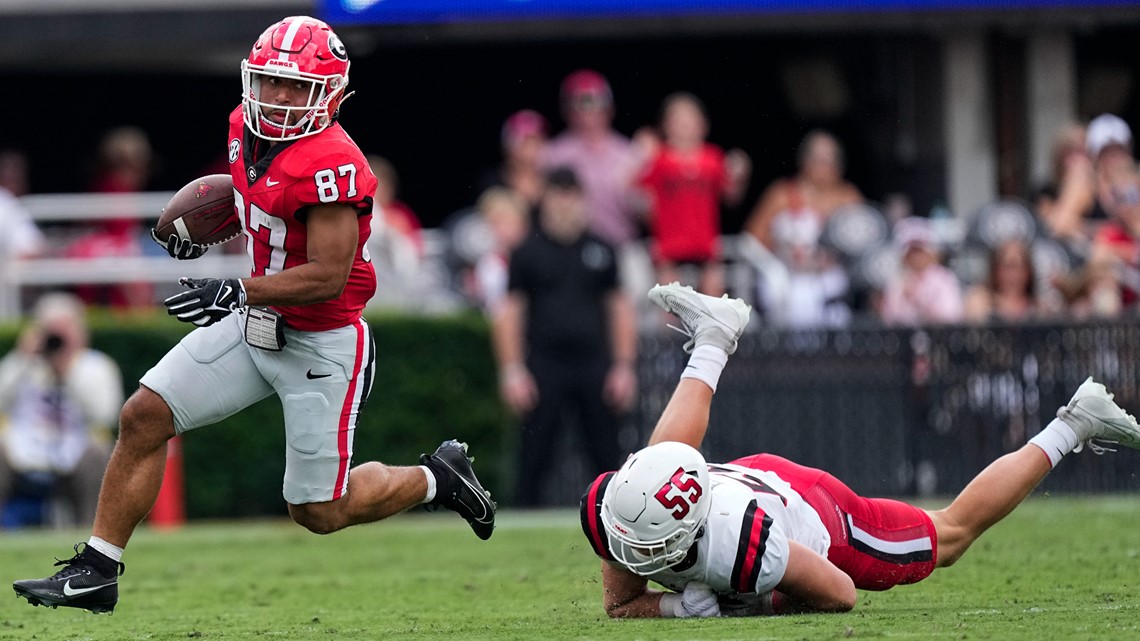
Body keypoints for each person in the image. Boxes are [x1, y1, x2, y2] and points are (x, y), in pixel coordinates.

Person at [13, 15, 495, 615]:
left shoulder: (334, 163)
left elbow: (328, 276)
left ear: (333, 93)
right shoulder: (245, 126)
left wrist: (236, 290)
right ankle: (97, 570)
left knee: (318, 511)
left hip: (321, 340)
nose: (281, 97)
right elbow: (250, 197)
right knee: (144, 414)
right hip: (256, 324)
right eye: (271, 82)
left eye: (297, 87)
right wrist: (199, 233)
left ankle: (439, 478)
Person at [580, 282, 1140, 618]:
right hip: (743, 480)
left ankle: (1075, 421)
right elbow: (622, 606)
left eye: (639, 549)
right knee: (663, 456)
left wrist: (739, 602)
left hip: (814, 515)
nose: (623, 557)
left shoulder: (742, 544)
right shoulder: (617, 504)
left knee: (948, 536)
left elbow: (839, 594)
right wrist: (680, 606)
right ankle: (713, 338)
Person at [492, 167, 637, 507]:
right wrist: (512, 369)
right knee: (533, 459)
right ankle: (520, 532)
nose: (566, 204)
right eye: (558, 195)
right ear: (545, 199)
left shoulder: (603, 248)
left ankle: (618, 528)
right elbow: (510, 312)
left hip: (594, 365)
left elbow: (620, 309)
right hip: (544, 366)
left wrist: (624, 366)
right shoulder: (527, 251)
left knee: (607, 460)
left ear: (583, 200)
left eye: (572, 195)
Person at [0, 293, 121, 527]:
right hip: (23, 450)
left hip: (77, 450)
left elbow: (105, 415)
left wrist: (66, 372)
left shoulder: (96, 366)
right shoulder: (23, 364)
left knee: (99, 451)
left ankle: (92, 537)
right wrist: (21, 358)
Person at [636, 92, 750, 296]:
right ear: (665, 126)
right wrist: (638, 154)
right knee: (669, 298)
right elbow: (639, 195)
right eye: (678, 119)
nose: (685, 125)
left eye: (690, 119)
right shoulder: (658, 159)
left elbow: (731, 197)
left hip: (705, 247)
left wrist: (741, 174)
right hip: (668, 248)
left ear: (703, 124)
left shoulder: (713, 158)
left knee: (714, 298)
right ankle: (669, 330)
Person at [543, 70, 645, 250]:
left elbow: (643, 211)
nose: (587, 112)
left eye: (595, 103)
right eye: (580, 104)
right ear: (567, 110)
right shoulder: (553, 155)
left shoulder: (629, 153)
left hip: (622, 245)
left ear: (609, 108)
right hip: (570, 249)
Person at [877, 217, 964, 325]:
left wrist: (918, 301)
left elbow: (951, 317)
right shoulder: (897, 280)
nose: (916, 257)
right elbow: (890, 319)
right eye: (911, 251)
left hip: (937, 339)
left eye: (920, 251)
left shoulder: (944, 279)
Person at [469, 186, 530, 316]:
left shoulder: (534, 259)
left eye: (510, 222)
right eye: (496, 223)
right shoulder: (487, 262)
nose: (504, 230)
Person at [963, 240, 1048, 323]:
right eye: (1008, 266)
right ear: (995, 269)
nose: (1013, 274)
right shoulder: (982, 302)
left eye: (1019, 266)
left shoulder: (1039, 309)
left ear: (1029, 271)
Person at [479, 109, 549, 209]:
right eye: (526, 142)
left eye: (538, 140)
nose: (533, 149)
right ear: (508, 145)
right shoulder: (491, 181)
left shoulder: (552, 179)